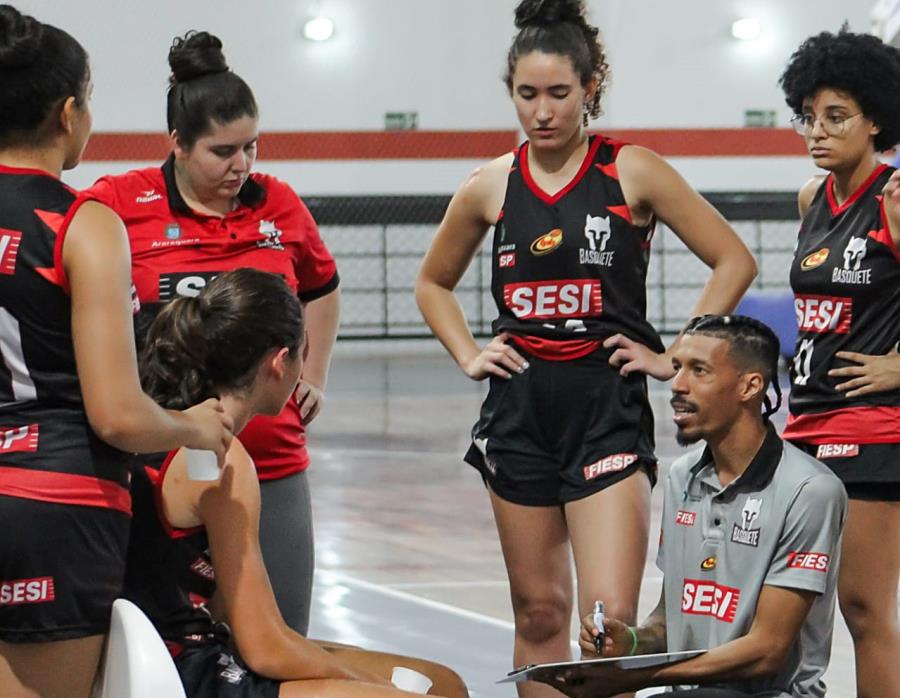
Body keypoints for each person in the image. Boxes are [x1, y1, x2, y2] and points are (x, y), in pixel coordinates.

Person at [414, 1, 756, 693]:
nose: (542, 111)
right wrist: (468, 353)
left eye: (559, 94)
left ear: (591, 88)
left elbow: (733, 259)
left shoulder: (632, 170)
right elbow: (433, 282)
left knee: (609, 622)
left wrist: (678, 356)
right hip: (519, 414)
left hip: (606, 412)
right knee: (539, 612)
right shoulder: (490, 184)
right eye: (527, 94)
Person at [0, 7, 233, 698]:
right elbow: (117, 416)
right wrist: (194, 424)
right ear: (68, 112)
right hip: (54, 498)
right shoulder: (81, 222)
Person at [84, 30, 340, 635]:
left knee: (277, 636)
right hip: (165, 461)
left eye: (252, 146)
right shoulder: (121, 201)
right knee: (175, 643)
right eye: (223, 151)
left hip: (271, 457)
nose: (242, 165)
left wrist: (315, 373)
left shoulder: (277, 204)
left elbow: (322, 288)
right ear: (177, 143)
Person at [131, 268, 467, 698]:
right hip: (183, 671)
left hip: (184, 647)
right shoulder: (221, 459)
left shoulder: (166, 423)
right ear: (279, 361)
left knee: (445, 684)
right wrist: (364, 681)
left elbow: (232, 618)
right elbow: (262, 647)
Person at [533, 315, 847, 698]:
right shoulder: (682, 477)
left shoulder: (809, 489)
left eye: (699, 371)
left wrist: (635, 679)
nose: (677, 385)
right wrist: (629, 642)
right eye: (677, 367)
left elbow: (767, 651)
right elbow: (672, 621)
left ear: (750, 386)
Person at [777, 29, 900, 698]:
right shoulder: (811, 200)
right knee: (794, 607)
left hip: (876, 429)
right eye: (808, 117)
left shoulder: (894, 197)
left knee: (864, 607)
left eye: (836, 117)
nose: (816, 132)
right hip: (806, 425)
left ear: (876, 117)